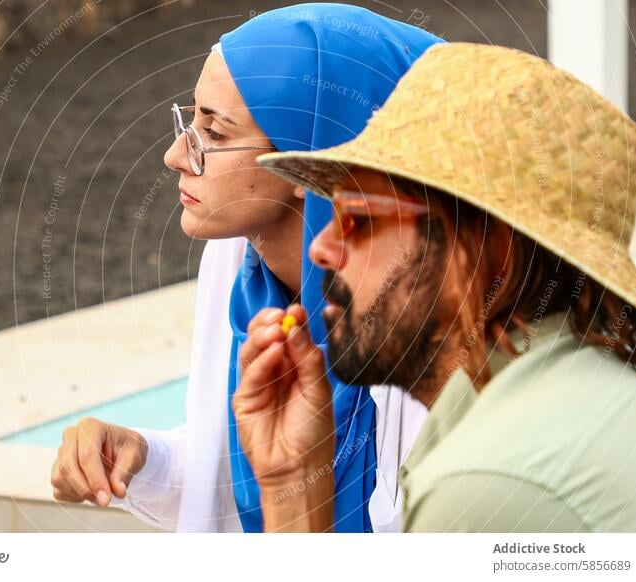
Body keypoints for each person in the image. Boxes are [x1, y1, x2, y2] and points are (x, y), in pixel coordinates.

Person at [50, 4, 442, 531]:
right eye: (190, 120)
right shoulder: (237, 263)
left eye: (214, 133)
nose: (174, 155)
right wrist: (141, 457)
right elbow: (237, 464)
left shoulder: (426, 320)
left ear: (310, 160)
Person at [235, 42, 636, 532]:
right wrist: (295, 479)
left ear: (482, 250)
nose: (320, 248)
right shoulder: (564, 402)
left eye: (358, 218)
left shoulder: (489, 484)